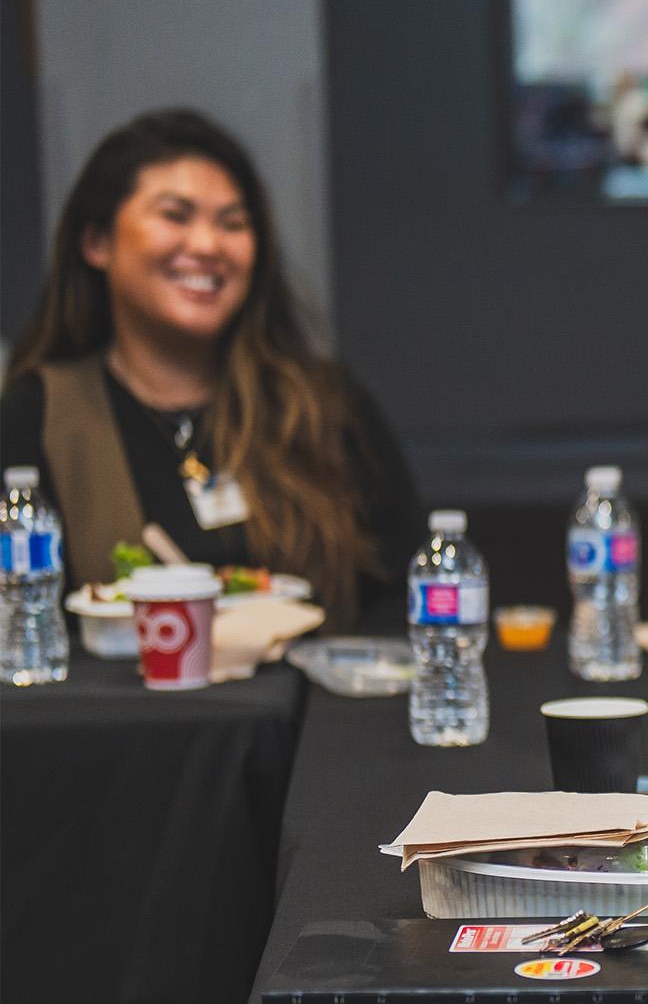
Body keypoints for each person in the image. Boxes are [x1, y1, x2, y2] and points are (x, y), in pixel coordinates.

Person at [0, 108, 420, 627]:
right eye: (175, 216)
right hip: (122, 709)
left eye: (234, 223)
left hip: (312, 704)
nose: (208, 246)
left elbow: (404, 593)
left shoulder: (321, 403)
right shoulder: (38, 414)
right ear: (97, 242)